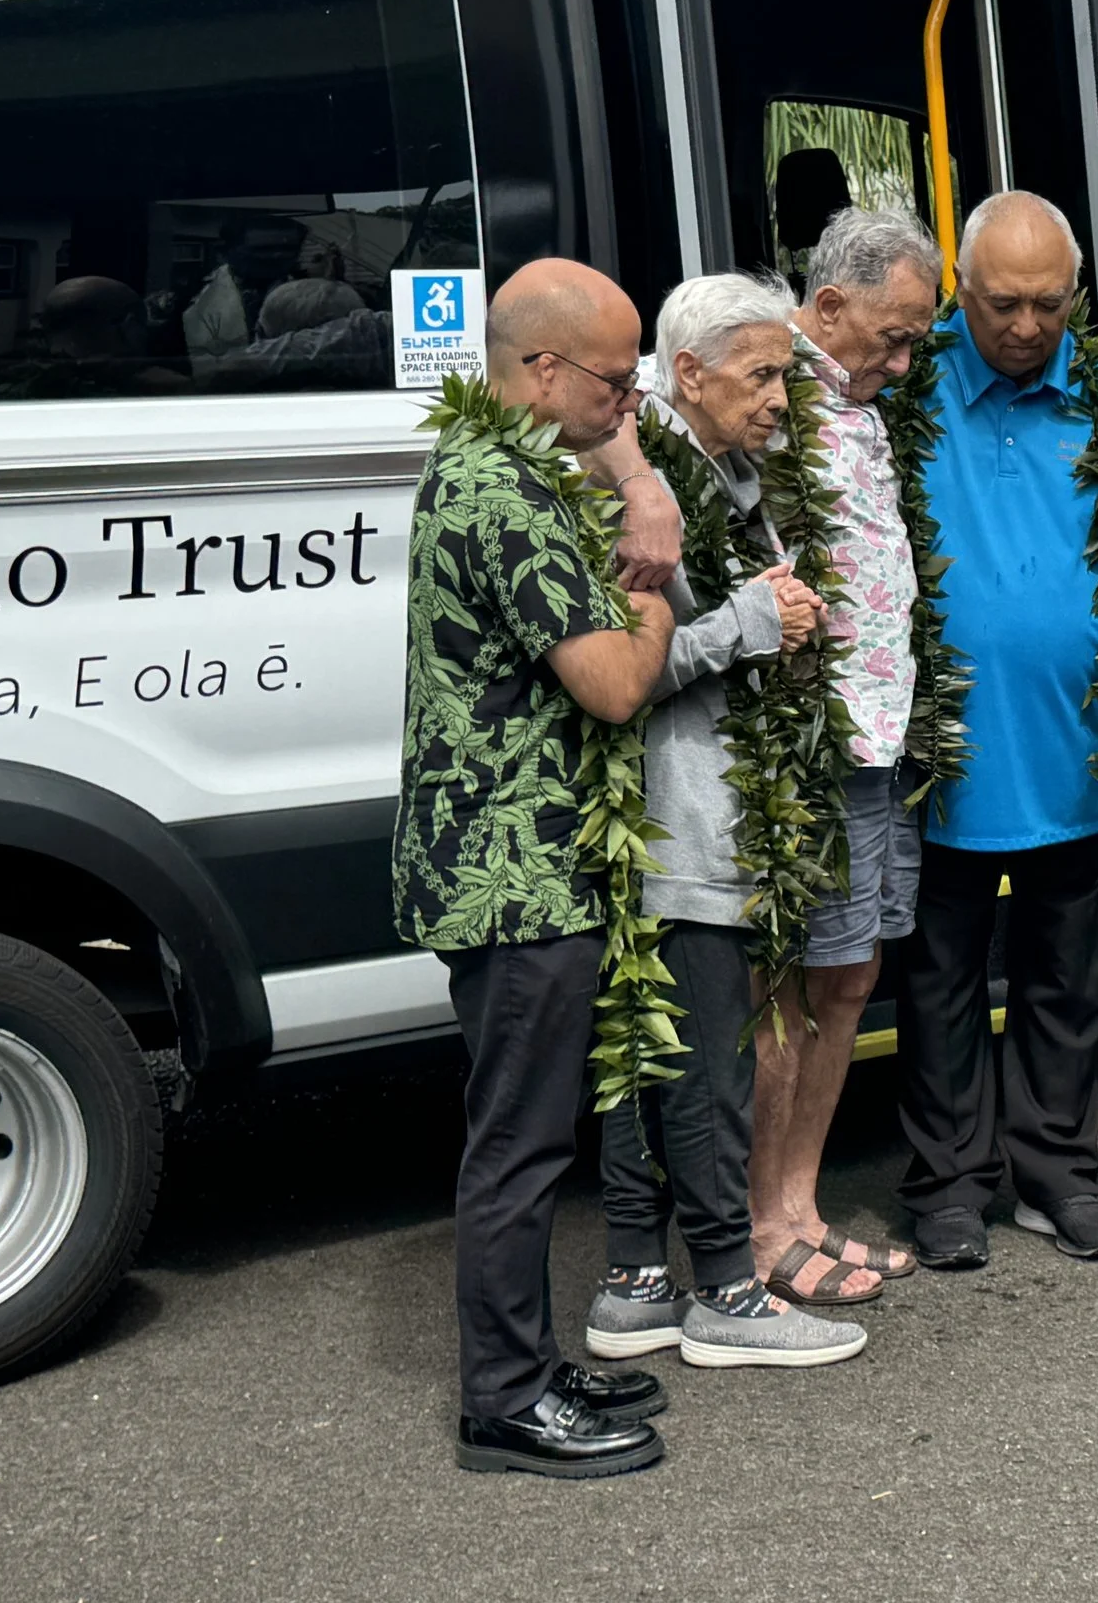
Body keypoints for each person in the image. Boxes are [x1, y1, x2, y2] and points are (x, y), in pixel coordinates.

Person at [392, 257, 682, 1479]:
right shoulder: (503, 496)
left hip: (509, 862)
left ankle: (525, 1358)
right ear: (544, 369)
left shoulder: (492, 462)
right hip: (517, 875)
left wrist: (630, 470)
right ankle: (502, 1403)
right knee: (518, 1146)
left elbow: (601, 441)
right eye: (617, 384)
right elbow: (614, 687)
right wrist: (654, 580)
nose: (630, 405)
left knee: (525, 1134)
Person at [897, 191, 1098, 1270]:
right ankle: (946, 1183)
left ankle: (1056, 1173)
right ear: (959, 288)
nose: (1025, 327)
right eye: (1000, 306)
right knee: (939, 976)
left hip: (1075, 747)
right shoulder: (909, 383)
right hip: (943, 752)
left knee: (1062, 970)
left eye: (1046, 304)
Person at [581, 271, 872, 1370]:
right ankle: (723, 1295)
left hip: (706, 814)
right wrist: (751, 620)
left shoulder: (720, 473)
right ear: (685, 374)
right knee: (701, 1059)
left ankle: (633, 1285)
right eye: (762, 376)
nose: (783, 399)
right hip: (674, 818)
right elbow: (620, 674)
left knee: (654, 1054)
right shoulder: (643, 490)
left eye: (788, 376)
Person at [748, 207, 945, 1307]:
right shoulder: (769, 393)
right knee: (792, 981)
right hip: (812, 742)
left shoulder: (864, 407)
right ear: (827, 308)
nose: (906, 359)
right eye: (895, 333)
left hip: (879, 731)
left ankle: (802, 1206)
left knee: (852, 970)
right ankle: (759, 1225)